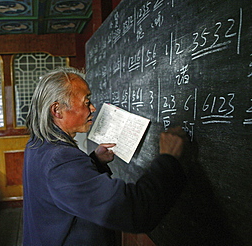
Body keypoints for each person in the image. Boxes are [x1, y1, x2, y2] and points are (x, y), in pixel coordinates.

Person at [23, 67, 188, 245]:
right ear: (57, 110)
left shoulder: (37, 145)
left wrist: (94, 162)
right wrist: (168, 160)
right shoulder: (61, 160)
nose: (93, 108)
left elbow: (61, 189)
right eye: (86, 102)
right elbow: (137, 211)